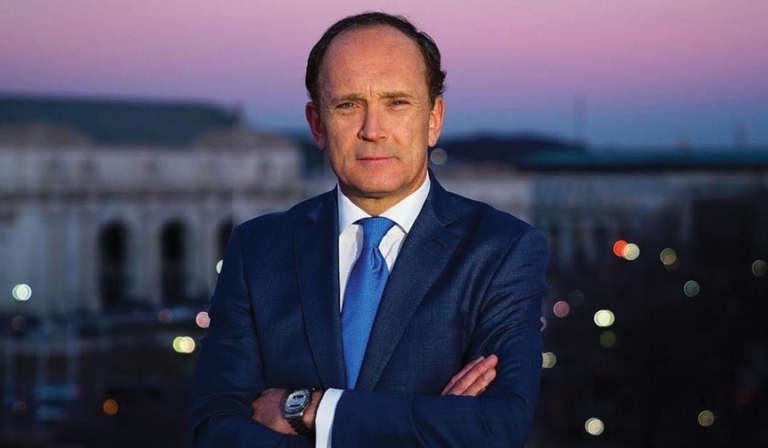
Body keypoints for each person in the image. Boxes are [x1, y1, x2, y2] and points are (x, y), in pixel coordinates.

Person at [185, 11, 548, 448]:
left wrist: (311, 408)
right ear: (317, 124)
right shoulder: (258, 250)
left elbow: (495, 426)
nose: (372, 130)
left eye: (397, 102)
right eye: (348, 105)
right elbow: (212, 431)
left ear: (433, 118)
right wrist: (433, 424)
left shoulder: (501, 250)